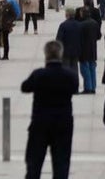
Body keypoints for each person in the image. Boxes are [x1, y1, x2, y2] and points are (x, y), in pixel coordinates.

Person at [21, 40, 78, 179]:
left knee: (34, 162)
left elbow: (25, 87)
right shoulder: (70, 75)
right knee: (61, 163)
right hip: (63, 123)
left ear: (46, 55)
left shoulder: (39, 74)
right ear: (61, 54)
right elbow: (75, 88)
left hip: (40, 122)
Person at [78, 5, 101, 94]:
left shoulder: (81, 25)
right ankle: (93, 87)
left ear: (83, 14)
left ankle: (88, 87)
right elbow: (99, 36)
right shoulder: (95, 23)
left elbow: (78, 37)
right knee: (92, 68)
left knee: (85, 69)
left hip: (84, 49)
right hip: (93, 49)